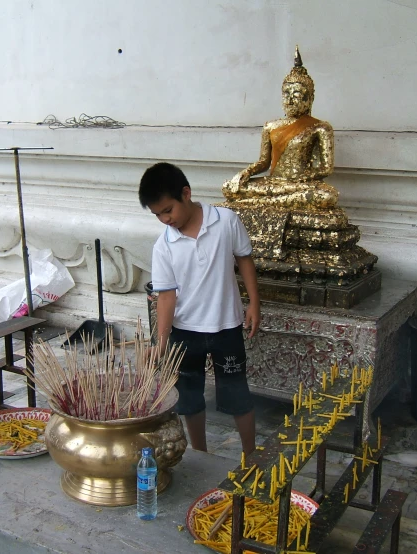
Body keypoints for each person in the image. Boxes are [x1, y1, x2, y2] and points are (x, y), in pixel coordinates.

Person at [139, 162, 261, 455]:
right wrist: (162, 341)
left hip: (226, 327)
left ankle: (251, 454)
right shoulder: (164, 246)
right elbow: (166, 296)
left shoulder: (226, 221)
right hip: (185, 334)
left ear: (186, 193)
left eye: (168, 210)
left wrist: (254, 303)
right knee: (190, 400)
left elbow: (244, 259)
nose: (165, 219)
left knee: (238, 396)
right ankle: (202, 454)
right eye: (158, 215)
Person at [222, 46, 338, 210]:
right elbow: (264, 162)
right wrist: (245, 173)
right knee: (229, 187)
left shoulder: (320, 128)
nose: (290, 100)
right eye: (286, 94)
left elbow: (326, 168)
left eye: (296, 95)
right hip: (273, 184)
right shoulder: (271, 126)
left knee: (327, 196)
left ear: (309, 98)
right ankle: (264, 201)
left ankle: (255, 203)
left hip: (298, 185)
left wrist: (303, 177)